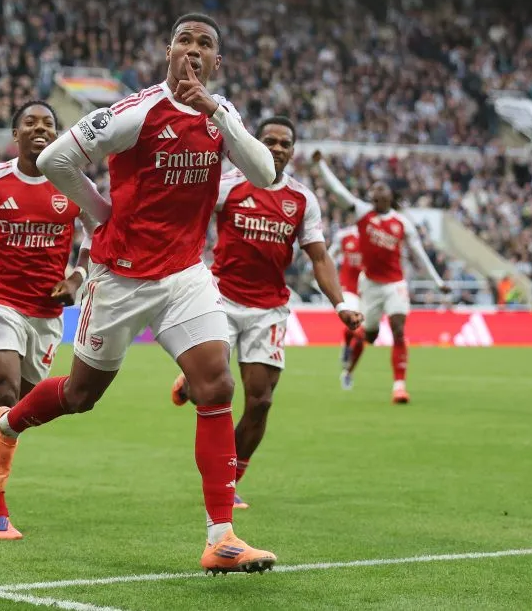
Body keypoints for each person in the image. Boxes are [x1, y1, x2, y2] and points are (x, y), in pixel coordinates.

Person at [0, 13, 280, 574]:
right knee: (79, 395)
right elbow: (54, 160)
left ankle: (222, 537)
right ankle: (5, 426)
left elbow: (264, 175)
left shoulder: (224, 116)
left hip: (185, 276)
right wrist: (100, 216)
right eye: (185, 41)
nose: (194, 51)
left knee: (216, 383)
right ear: (168, 51)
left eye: (205, 45)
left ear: (217, 62)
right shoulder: (137, 111)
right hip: (120, 275)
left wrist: (215, 109)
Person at [170, 117, 363, 508]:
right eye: (269, 141)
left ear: (293, 151)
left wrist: (340, 303)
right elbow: (188, 219)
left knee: (261, 402)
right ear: (255, 144)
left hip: (269, 309)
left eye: (284, 143)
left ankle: (231, 478)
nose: (276, 149)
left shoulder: (302, 199)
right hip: (220, 299)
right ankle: (190, 381)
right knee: (215, 387)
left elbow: (319, 256)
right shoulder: (228, 184)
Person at [0, 101, 96, 540]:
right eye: (30, 122)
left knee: (22, 407)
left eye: (48, 123)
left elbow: (98, 231)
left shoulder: (75, 184)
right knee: (5, 397)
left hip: (47, 312)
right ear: (16, 134)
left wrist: (78, 276)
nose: (40, 128)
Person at [312, 151, 449, 403]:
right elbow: (340, 192)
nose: (375, 193)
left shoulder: (402, 224)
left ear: (389, 196)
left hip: (395, 284)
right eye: (372, 190)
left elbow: (419, 254)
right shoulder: (363, 213)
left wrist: (438, 282)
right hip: (371, 285)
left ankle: (399, 386)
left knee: (398, 329)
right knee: (370, 335)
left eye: (380, 189)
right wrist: (320, 166)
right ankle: (349, 367)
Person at [328, 223, 365, 385]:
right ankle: (347, 346)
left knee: (361, 339)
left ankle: (348, 372)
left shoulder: (377, 237)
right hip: (348, 291)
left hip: (368, 294)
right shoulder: (344, 236)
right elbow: (327, 257)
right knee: (359, 331)